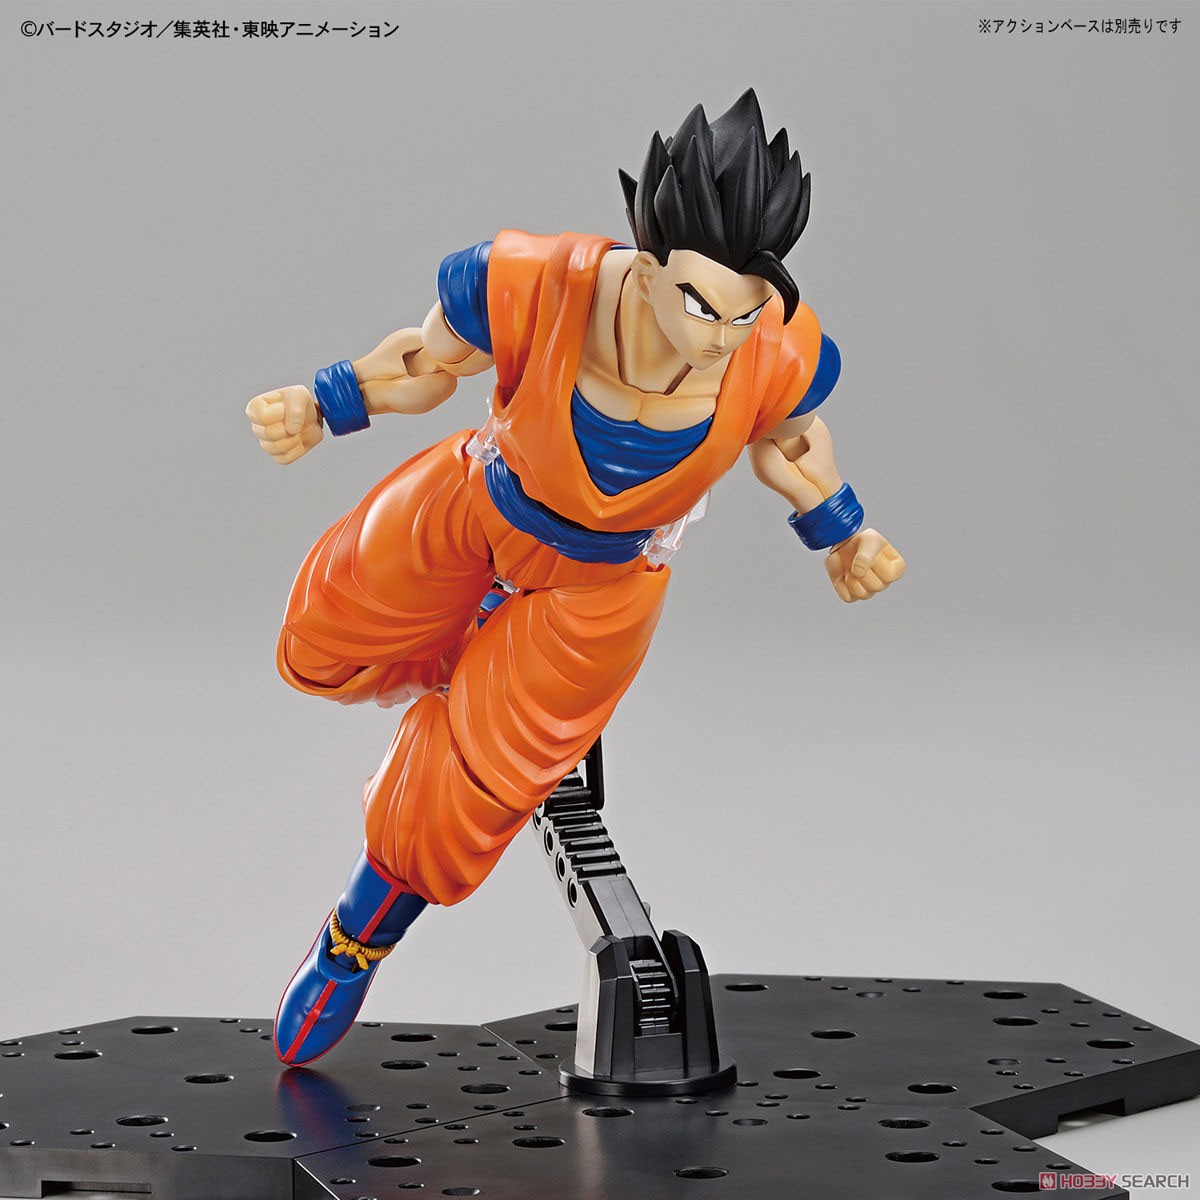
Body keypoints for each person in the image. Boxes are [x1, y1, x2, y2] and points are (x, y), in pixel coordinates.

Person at [246, 90, 905, 1067]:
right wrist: (324, 401)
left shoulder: (775, 348)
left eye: (745, 312)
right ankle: (463, 643)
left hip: (598, 587)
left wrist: (842, 531)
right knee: (320, 642)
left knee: (465, 794)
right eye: (700, 305)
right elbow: (425, 360)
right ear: (650, 262)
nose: (721, 336)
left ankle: (353, 942)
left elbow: (792, 441)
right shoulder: (534, 283)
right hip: (481, 505)